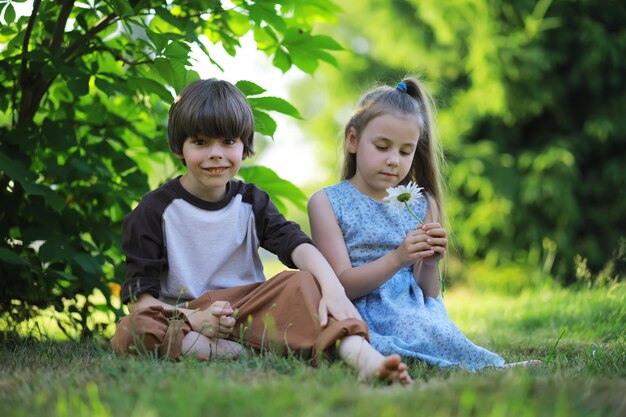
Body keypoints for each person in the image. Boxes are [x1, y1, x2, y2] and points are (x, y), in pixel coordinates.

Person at [110, 78, 412, 384]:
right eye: (201, 142)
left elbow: (298, 246)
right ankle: (232, 350)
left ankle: (365, 359)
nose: (216, 153)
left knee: (305, 281)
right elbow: (142, 301)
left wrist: (332, 288)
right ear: (179, 147)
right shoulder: (151, 211)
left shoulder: (251, 201)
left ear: (245, 146)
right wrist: (197, 319)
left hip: (248, 308)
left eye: (228, 142)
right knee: (132, 328)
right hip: (186, 315)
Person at [308, 77, 535, 370]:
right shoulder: (327, 202)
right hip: (358, 309)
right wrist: (397, 258)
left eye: (405, 151)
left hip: (413, 309)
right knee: (404, 330)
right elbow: (341, 284)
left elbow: (428, 293)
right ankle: (444, 365)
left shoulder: (422, 202)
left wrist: (429, 262)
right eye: (382, 146)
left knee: (431, 326)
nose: (394, 160)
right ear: (352, 140)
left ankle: (489, 367)